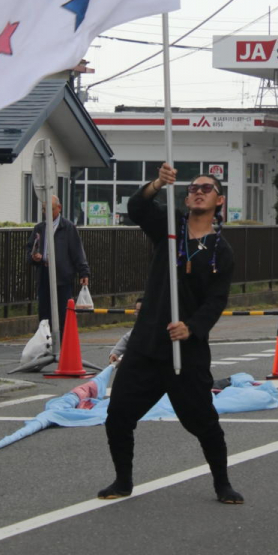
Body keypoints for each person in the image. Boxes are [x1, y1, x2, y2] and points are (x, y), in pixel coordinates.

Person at [98, 164, 243, 506]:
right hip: (147, 343)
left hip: (186, 351)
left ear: (218, 200)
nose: (197, 191)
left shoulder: (221, 251)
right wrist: (156, 184)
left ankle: (222, 483)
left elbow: (216, 301)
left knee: (204, 423)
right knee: (118, 415)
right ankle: (123, 479)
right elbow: (137, 208)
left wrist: (191, 327)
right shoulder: (170, 229)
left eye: (206, 188)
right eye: (193, 187)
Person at [27, 196, 90, 339]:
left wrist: (83, 272)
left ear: (59, 208)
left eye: (51, 209)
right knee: (44, 312)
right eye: (44, 210)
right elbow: (30, 249)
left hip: (63, 275)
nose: (46, 213)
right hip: (44, 273)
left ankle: (62, 341)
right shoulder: (40, 228)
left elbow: (77, 251)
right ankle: (45, 341)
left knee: (63, 311)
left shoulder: (68, 228)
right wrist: (34, 256)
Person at [108, 298, 143, 364]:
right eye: (137, 311)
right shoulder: (138, 328)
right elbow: (126, 339)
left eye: (141, 311)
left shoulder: (157, 328)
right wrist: (114, 354)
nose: (138, 314)